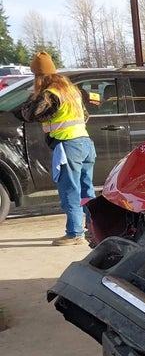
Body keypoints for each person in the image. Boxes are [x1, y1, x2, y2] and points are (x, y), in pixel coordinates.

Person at [19, 51, 96, 246]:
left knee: (70, 190)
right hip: (85, 143)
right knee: (86, 191)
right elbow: (85, 116)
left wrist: (32, 96)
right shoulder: (71, 90)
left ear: (39, 76)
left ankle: (74, 233)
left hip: (68, 146)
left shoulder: (50, 94)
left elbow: (30, 114)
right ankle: (96, 229)